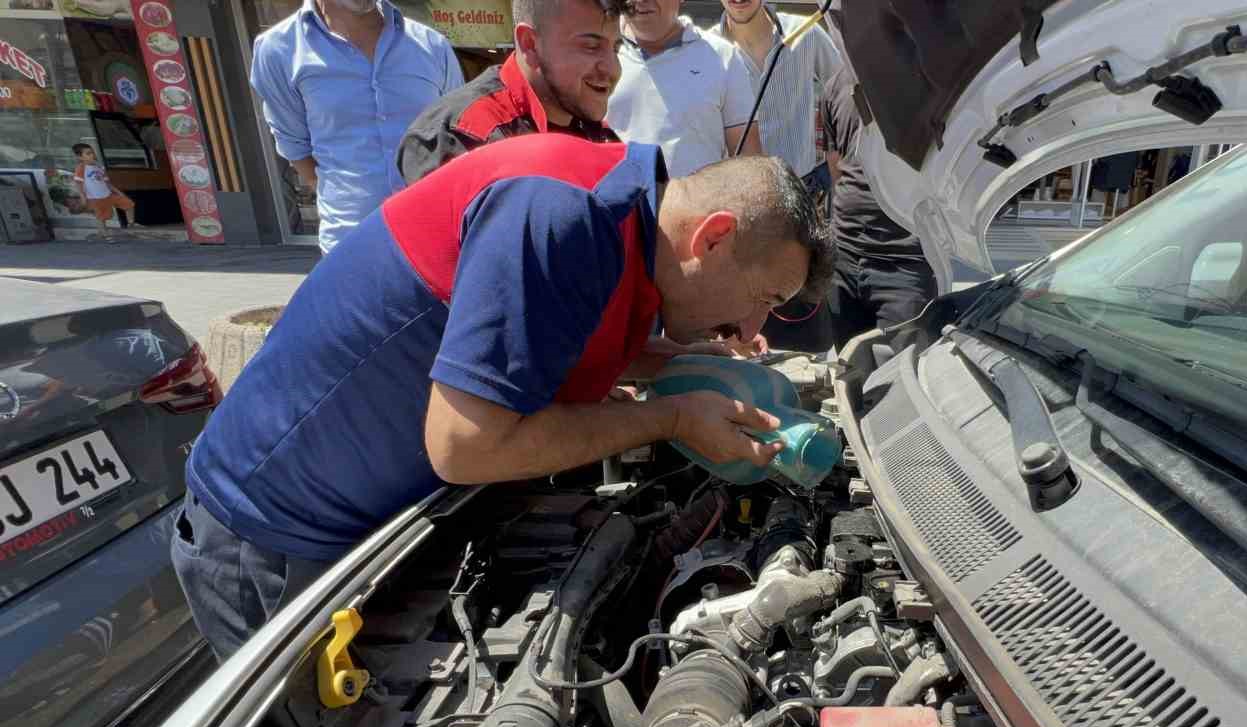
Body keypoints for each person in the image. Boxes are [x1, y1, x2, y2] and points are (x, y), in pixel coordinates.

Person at [171, 134, 830, 659]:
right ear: (712, 238)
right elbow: (466, 445)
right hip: (272, 540)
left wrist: (671, 362)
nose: (753, 331)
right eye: (763, 299)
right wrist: (673, 417)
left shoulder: (621, 223)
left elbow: (547, 339)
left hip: (372, 533)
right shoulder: (557, 211)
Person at [250, 0, 462, 253]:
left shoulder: (432, 45)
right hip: (350, 241)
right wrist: (347, 200)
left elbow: (457, 133)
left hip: (436, 236)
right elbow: (294, 145)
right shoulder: (278, 50)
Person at [398, 0, 623, 185]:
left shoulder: (599, 133)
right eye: (591, 47)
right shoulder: (461, 135)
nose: (613, 69)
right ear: (530, 44)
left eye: (616, 48)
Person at [820, 67, 938, 354]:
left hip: (905, 262)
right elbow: (835, 166)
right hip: (843, 258)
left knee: (900, 379)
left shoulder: (929, 75)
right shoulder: (836, 83)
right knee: (850, 370)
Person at [606, 0, 763, 177]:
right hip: (617, 204)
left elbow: (748, 160)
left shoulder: (723, 56)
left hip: (702, 203)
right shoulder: (596, 57)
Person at [710, 0, 838, 179]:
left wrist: (837, 153)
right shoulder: (707, 51)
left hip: (807, 188)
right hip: (741, 193)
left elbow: (846, 92)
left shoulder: (806, 33)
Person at [71, 143, 136, 240]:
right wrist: (83, 197)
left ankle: (131, 224)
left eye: (92, 153)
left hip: (108, 194)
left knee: (129, 204)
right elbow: (78, 184)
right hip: (96, 198)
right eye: (88, 154)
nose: (92, 155)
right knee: (102, 216)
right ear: (80, 157)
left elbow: (107, 183)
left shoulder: (99, 167)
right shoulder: (81, 168)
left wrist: (118, 192)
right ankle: (103, 233)